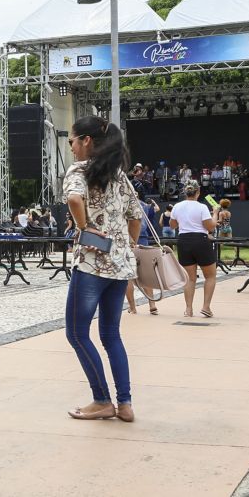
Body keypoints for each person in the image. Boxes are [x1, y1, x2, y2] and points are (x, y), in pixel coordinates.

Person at [63, 116, 142, 423]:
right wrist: (127, 247)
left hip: (92, 264)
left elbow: (73, 198)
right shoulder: (120, 176)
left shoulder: (79, 170)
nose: (71, 148)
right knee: (111, 335)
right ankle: (125, 403)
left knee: (77, 333)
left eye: (72, 141)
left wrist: (86, 230)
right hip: (121, 267)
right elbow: (135, 218)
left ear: (86, 140)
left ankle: (101, 400)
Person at [170, 179, 219, 319]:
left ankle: (188, 309)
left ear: (185, 192)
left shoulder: (177, 206)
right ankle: (206, 307)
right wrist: (215, 213)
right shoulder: (202, 207)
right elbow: (210, 227)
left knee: (189, 279)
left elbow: (172, 225)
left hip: (184, 241)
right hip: (200, 240)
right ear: (198, 192)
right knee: (210, 276)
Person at [125, 189, 158, 316]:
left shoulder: (124, 204)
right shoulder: (145, 205)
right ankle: (152, 304)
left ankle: (133, 307)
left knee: (128, 277)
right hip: (143, 240)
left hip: (128, 241)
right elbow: (151, 221)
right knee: (146, 274)